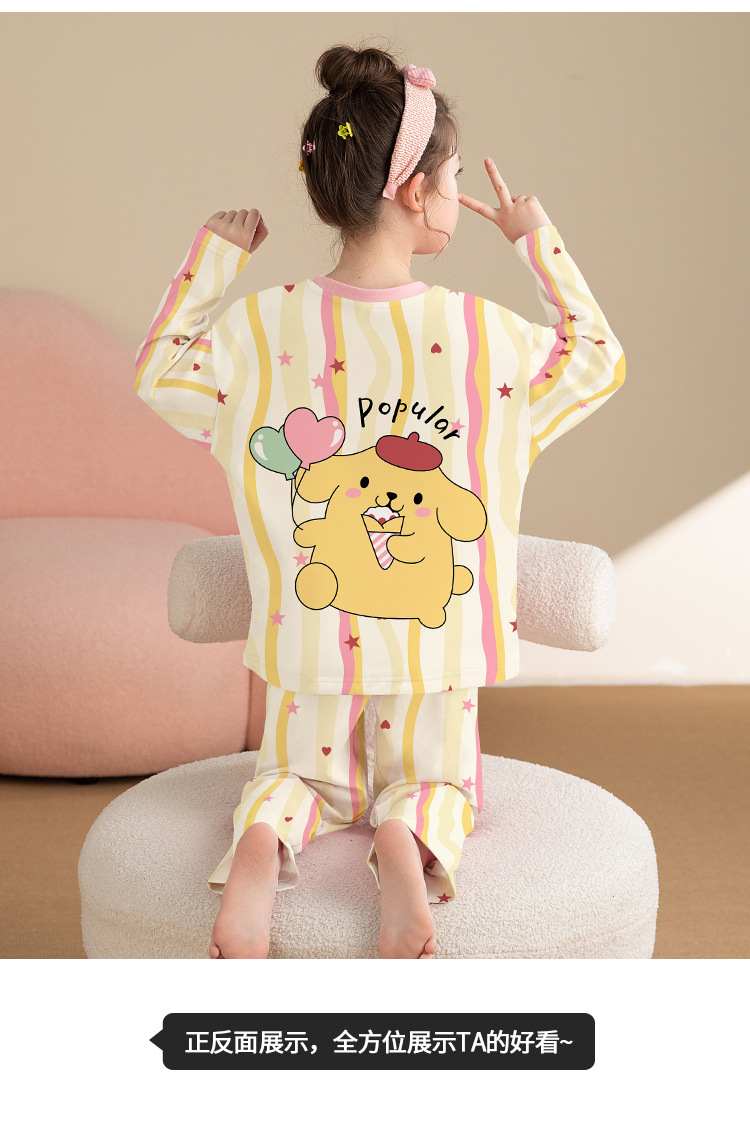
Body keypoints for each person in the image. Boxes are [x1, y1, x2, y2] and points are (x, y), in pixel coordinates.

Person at [134, 43, 625, 960]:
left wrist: (214, 258)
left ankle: (263, 839)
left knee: (294, 775)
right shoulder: (484, 337)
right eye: (451, 179)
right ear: (415, 190)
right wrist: (535, 240)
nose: (457, 198)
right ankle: (407, 838)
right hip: (437, 640)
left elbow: (158, 372)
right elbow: (598, 358)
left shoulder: (260, 327)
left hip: (309, 636)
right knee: (439, 784)